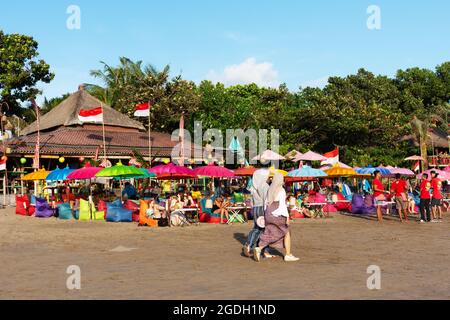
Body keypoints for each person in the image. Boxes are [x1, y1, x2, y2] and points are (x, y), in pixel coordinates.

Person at [253, 172, 299, 262]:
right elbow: (282, 205)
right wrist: (287, 217)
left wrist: (266, 214)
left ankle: (259, 248)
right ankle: (288, 255)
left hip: (269, 213)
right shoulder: (281, 190)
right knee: (286, 232)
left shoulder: (270, 189)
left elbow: (266, 203)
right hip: (278, 213)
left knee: (271, 233)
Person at [243, 169, 271, 258]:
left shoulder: (254, 186)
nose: (268, 177)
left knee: (257, 228)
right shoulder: (264, 185)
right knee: (264, 229)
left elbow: (252, 201)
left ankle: (255, 247)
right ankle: (252, 247)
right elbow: (266, 199)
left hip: (255, 208)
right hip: (262, 208)